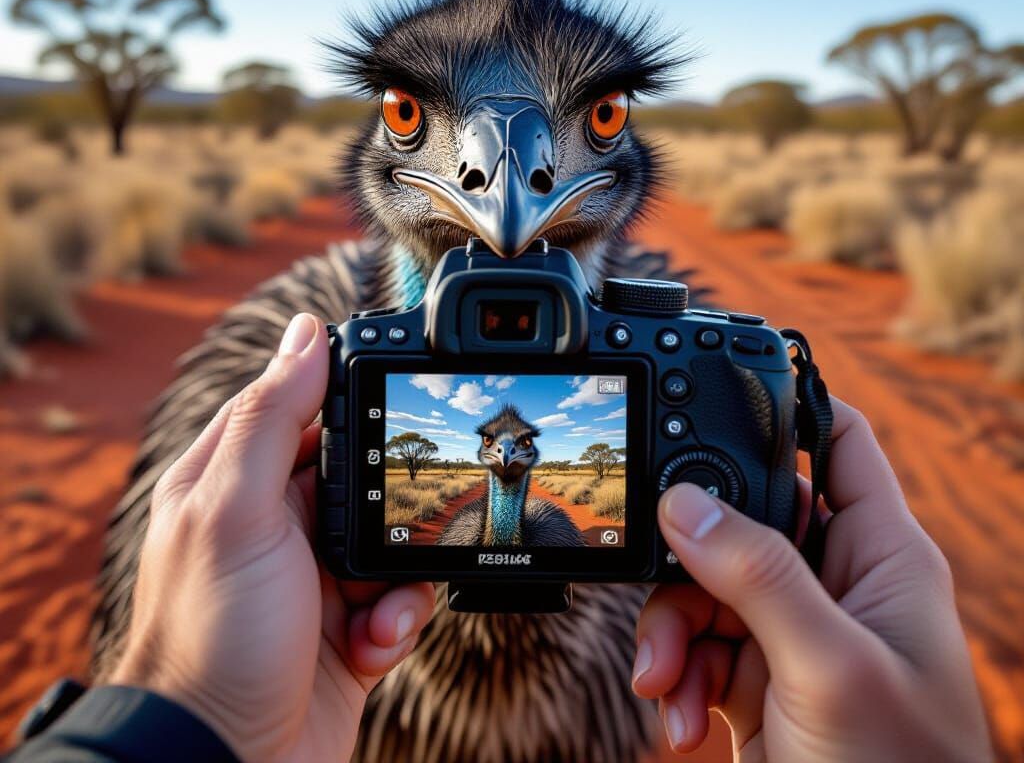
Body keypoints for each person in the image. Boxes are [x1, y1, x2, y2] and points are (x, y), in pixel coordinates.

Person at [6, 313, 993, 763]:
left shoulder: (532, 464)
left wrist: (176, 723)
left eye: (600, 121)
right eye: (404, 110)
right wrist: (207, 709)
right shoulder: (492, 459)